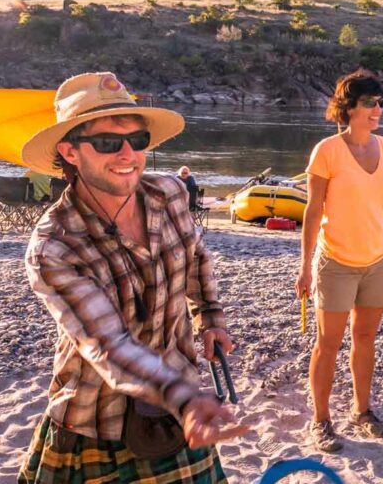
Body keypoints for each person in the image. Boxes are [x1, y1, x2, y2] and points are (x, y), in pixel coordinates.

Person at [16, 72, 248, 483]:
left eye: (137, 141)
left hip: (176, 417)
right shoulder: (55, 246)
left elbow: (195, 257)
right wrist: (186, 398)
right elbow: (109, 347)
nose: (128, 154)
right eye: (107, 143)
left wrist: (210, 316)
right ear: (70, 152)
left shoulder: (171, 194)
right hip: (94, 426)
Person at [297, 69, 383, 453]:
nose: (378, 110)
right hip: (336, 261)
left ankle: (362, 412)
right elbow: (312, 212)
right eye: (370, 104)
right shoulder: (327, 151)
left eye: (380, 103)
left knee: (365, 339)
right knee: (328, 343)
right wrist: (305, 265)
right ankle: (321, 420)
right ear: (349, 108)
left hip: (377, 260)